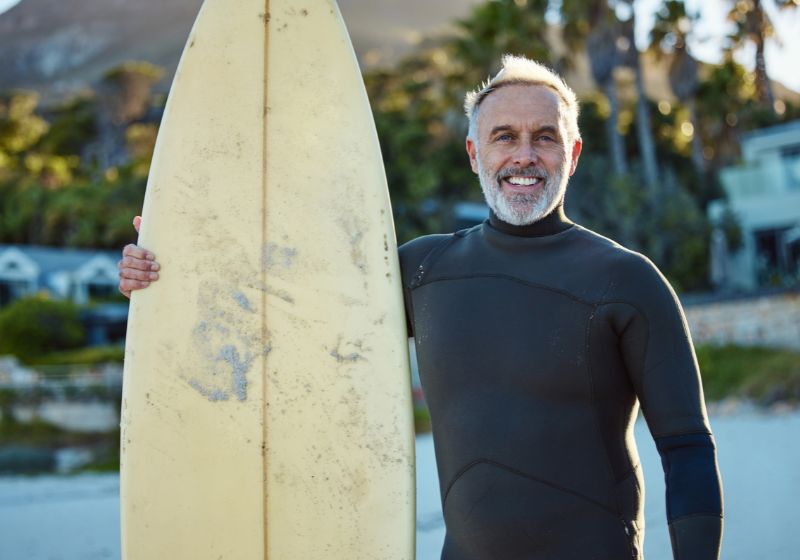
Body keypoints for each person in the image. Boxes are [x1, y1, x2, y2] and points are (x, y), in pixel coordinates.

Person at [119, 55, 723, 559]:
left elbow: (687, 448)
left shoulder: (627, 280)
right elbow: (286, 312)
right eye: (504, 136)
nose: (524, 155)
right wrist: (173, 266)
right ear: (474, 153)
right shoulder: (422, 270)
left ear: (574, 152)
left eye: (545, 136)